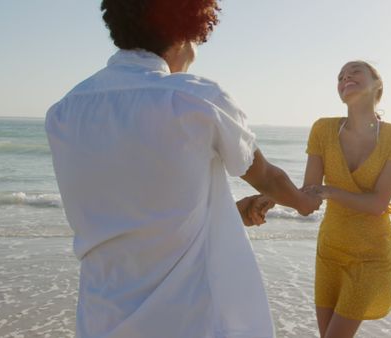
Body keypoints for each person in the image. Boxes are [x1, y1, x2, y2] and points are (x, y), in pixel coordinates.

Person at [44, 1, 321, 337]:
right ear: (184, 32)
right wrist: (303, 203)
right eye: (197, 41)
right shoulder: (196, 98)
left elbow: (131, 213)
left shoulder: (64, 111)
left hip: (101, 318)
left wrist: (228, 213)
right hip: (189, 318)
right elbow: (266, 176)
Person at [304, 61, 391, 337]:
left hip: (371, 256)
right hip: (329, 252)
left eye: (354, 72)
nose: (345, 77)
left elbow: (377, 204)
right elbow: (308, 195)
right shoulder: (322, 129)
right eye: (340, 76)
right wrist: (270, 195)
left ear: (377, 85)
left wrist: (330, 192)